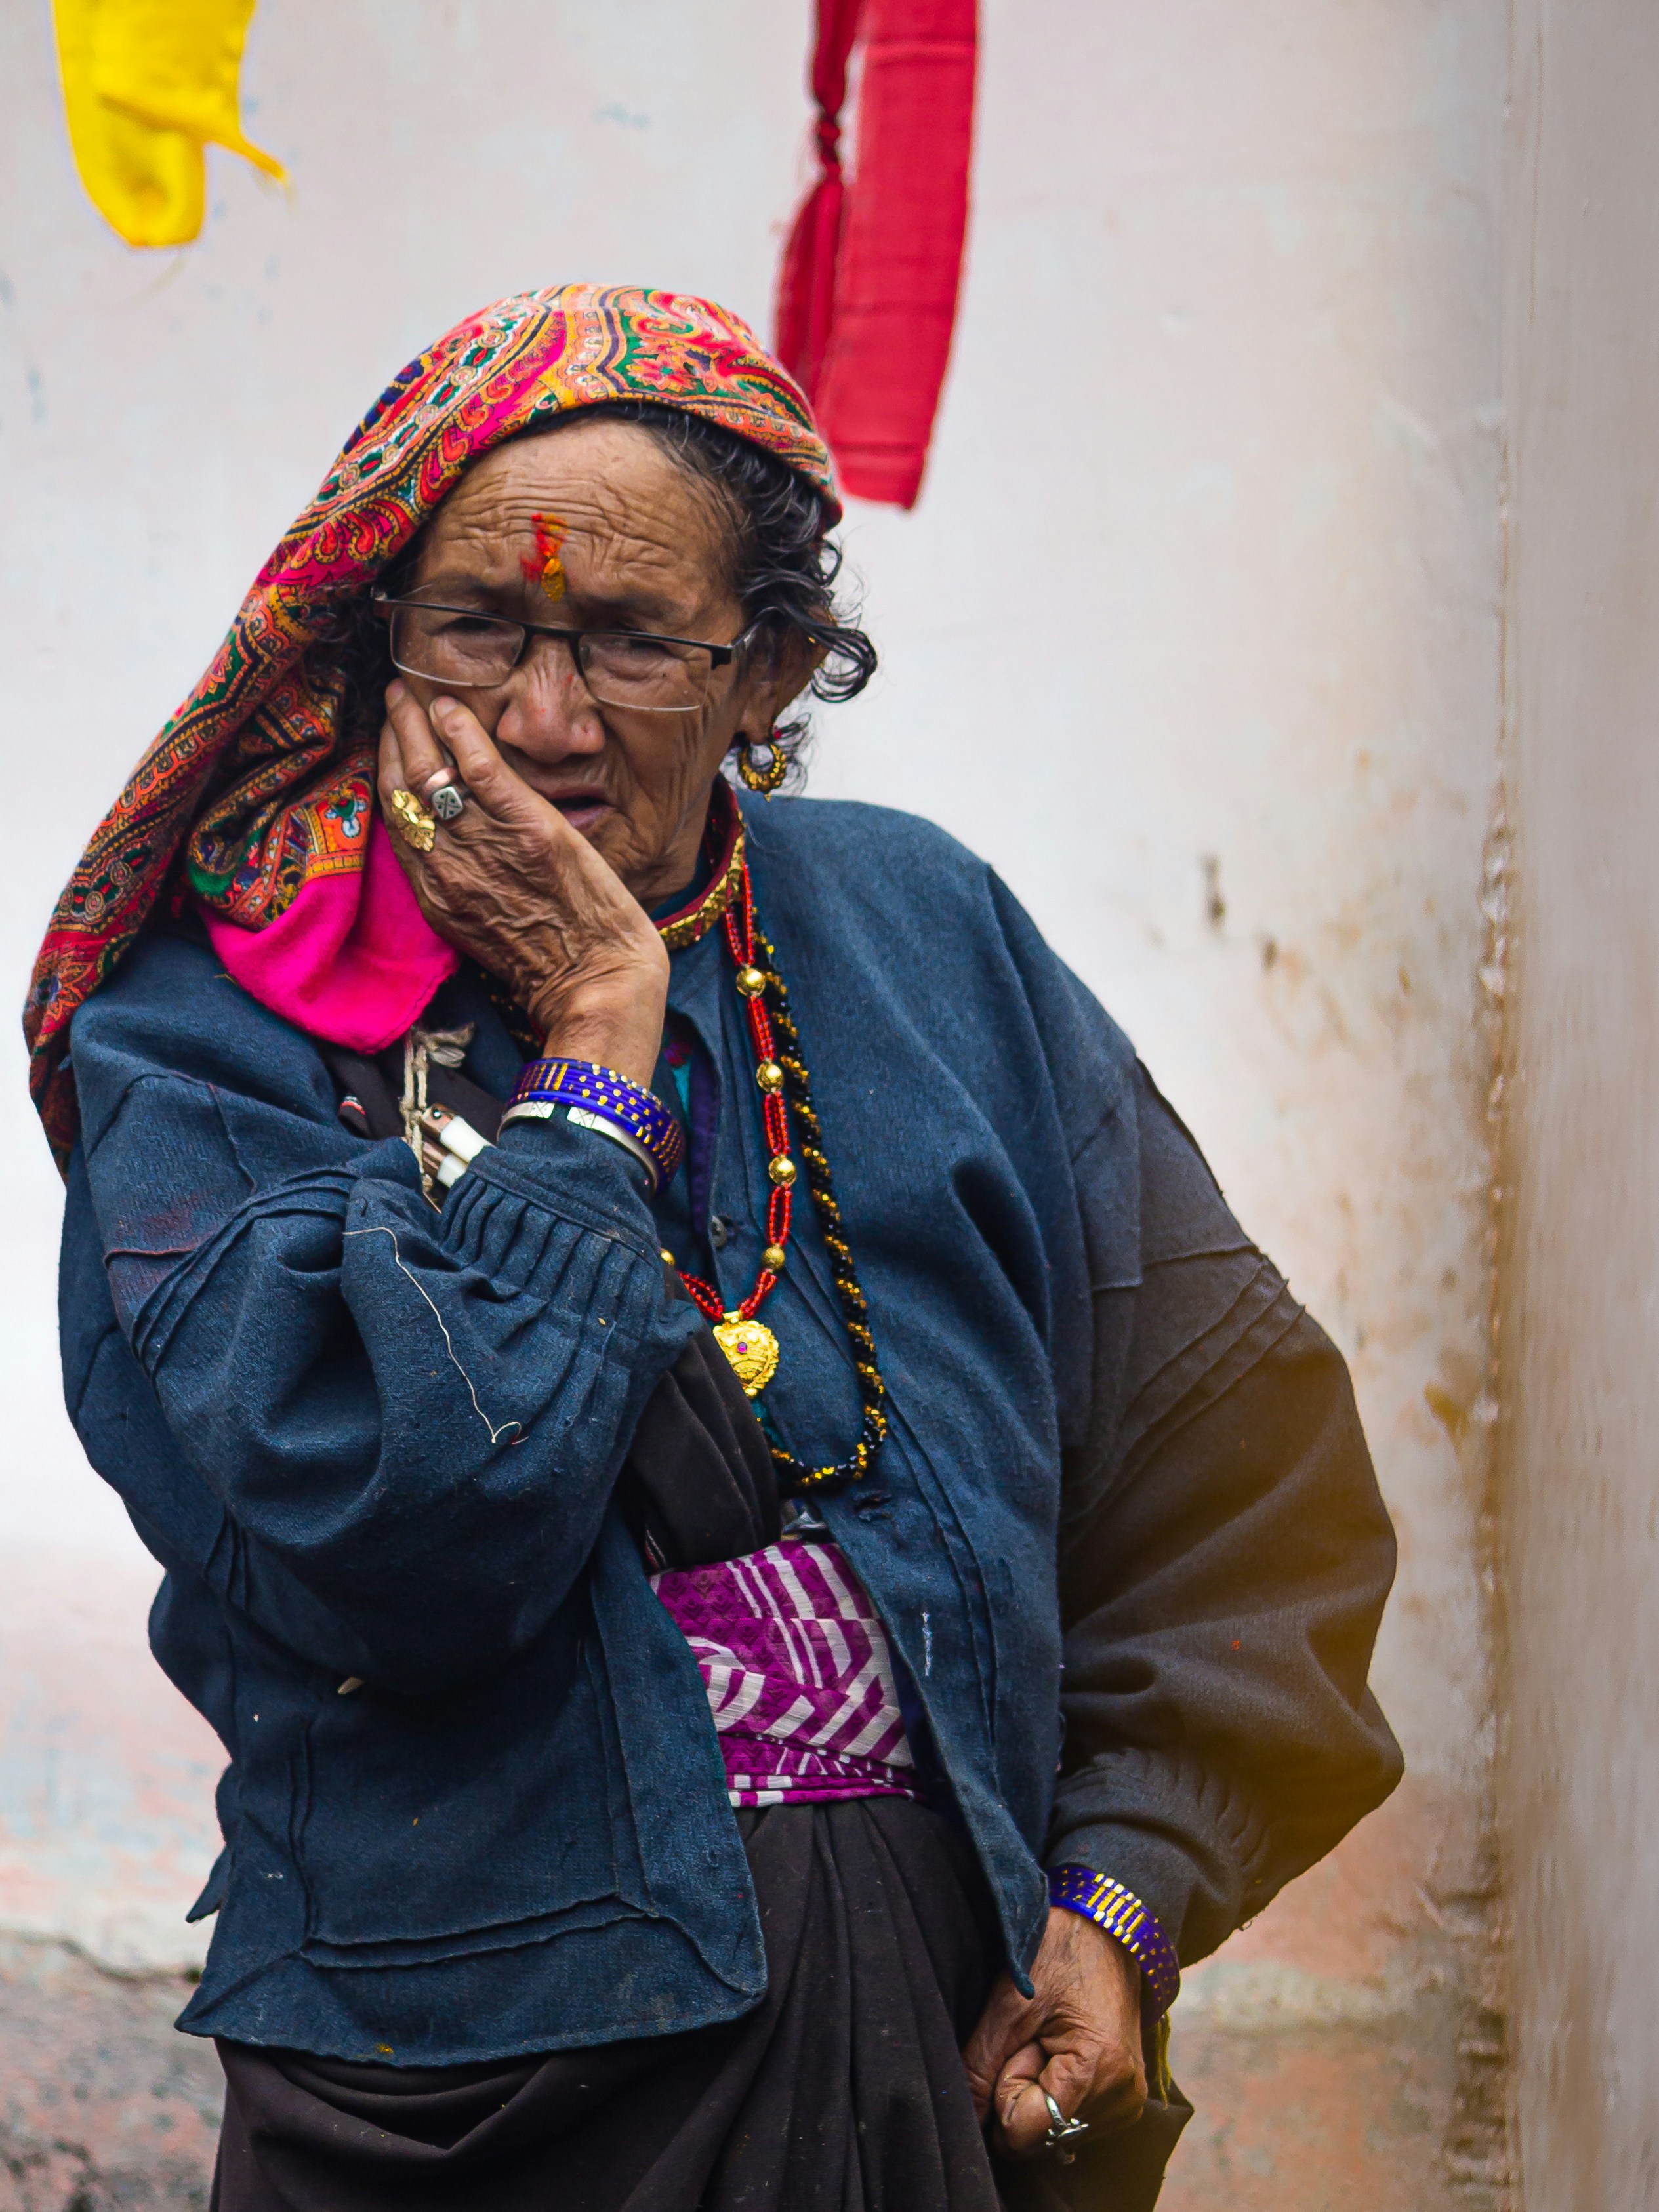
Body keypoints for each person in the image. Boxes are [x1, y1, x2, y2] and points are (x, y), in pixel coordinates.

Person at [28, 285, 1402, 2212]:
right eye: (478, 629)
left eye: (628, 646)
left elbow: (1240, 1489)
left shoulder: (929, 942)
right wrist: (595, 1044)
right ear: (373, 646)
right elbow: (394, 1546)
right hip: (455, 2109)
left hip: (938, 2060)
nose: (539, 718)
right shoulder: (221, 1026)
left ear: (769, 673)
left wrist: (1114, 1902)